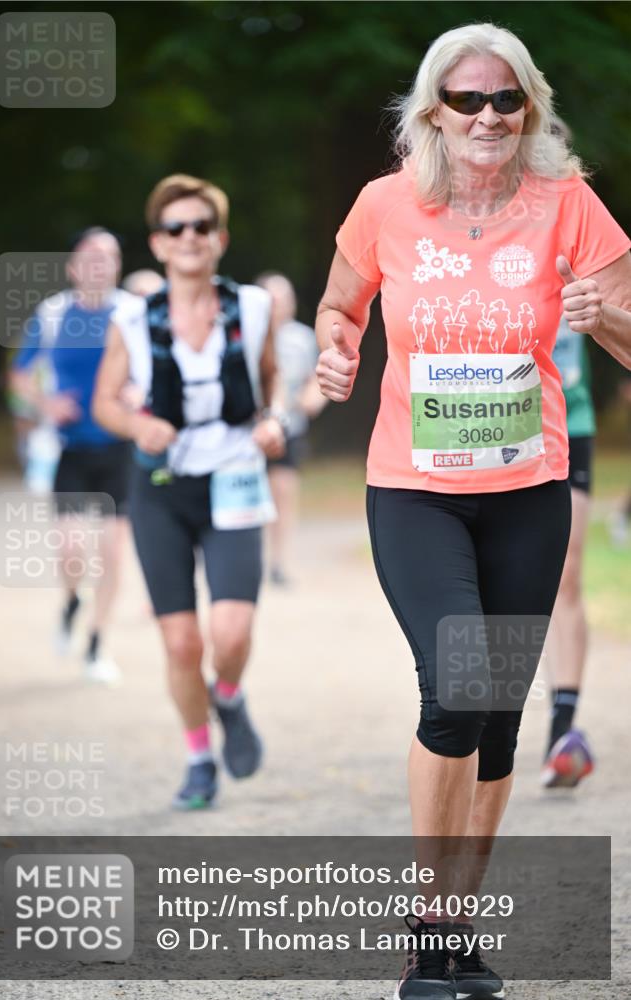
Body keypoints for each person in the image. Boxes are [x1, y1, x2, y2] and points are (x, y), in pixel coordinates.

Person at [315, 22, 631, 1000]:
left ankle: (458, 926)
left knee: (496, 719)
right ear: (433, 112)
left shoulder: (568, 204)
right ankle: (424, 930)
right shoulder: (385, 206)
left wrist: (600, 316)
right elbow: (340, 306)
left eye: (505, 99)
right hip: (413, 488)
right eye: (466, 99)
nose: (486, 116)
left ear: (527, 107)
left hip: (528, 491)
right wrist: (335, 350)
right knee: (453, 692)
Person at [93, 173, 285, 810]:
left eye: (201, 226)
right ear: (157, 242)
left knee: (230, 636)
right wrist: (138, 423)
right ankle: (199, 756)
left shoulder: (252, 306)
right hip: (163, 488)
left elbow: (272, 380)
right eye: (176, 228)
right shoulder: (130, 316)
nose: (190, 238)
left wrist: (274, 421)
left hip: (233, 476)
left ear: (220, 238)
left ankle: (228, 696)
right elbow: (105, 404)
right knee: (182, 641)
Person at [10, 227, 139, 684]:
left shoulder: (132, 314)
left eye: (109, 255)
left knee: (112, 549)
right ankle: (71, 602)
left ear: (118, 265)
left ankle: (97, 645)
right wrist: (45, 405)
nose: (100, 262)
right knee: (70, 548)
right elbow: (21, 376)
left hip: (120, 448)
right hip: (70, 448)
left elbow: (152, 370)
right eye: (91, 255)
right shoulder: (52, 314)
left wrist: (136, 395)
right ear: (73, 267)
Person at [541, 315, 596, 788]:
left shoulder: (581, 245)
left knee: (566, 576)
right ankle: (483, 726)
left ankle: (562, 730)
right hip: (497, 425)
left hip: (571, 419)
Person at [255, 272, 327, 585]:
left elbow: (317, 377)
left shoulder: (302, 338)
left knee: (283, 493)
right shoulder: (246, 333)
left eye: (283, 298)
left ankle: (279, 563)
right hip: (251, 431)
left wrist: (313, 399)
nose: (278, 305)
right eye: (271, 298)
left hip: (290, 428)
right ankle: (249, 560)